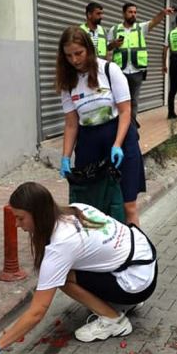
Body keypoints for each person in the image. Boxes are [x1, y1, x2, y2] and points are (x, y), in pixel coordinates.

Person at [0, 182, 158, 353]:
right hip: (144, 262)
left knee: (62, 278)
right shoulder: (76, 209)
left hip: (136, 283)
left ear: (38, 214)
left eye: (21, 218)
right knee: (66, 271)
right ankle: (122, 302)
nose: (16, 224)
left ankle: (114, 321)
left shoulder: (60, 245)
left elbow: (38, 310)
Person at [56, 26, 146, 225]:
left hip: (119, 136)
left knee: (127, 204)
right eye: (69, 56)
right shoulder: (68, 83)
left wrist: (117, 144)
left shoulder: (108, 70)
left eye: (78, 53)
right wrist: (65, 157)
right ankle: (103, 251)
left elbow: (125, 111)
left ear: (88, 49)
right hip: (89, 142)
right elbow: (71, 124)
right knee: (92, 206)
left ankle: (136, 251)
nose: (75, 60)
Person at [108, 3, 175, 126]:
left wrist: (163, 13)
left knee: (134, 100)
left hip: (136, 70)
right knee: (119, 99)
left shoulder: (141, 28)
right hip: (120, 71)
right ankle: (119, 123)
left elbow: (154, 21)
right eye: (130, 12)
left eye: (135, 12)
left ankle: (131, 124)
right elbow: (107, 48)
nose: (133, 14)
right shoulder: (115, 29)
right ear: (123, 14)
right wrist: (113, 44)